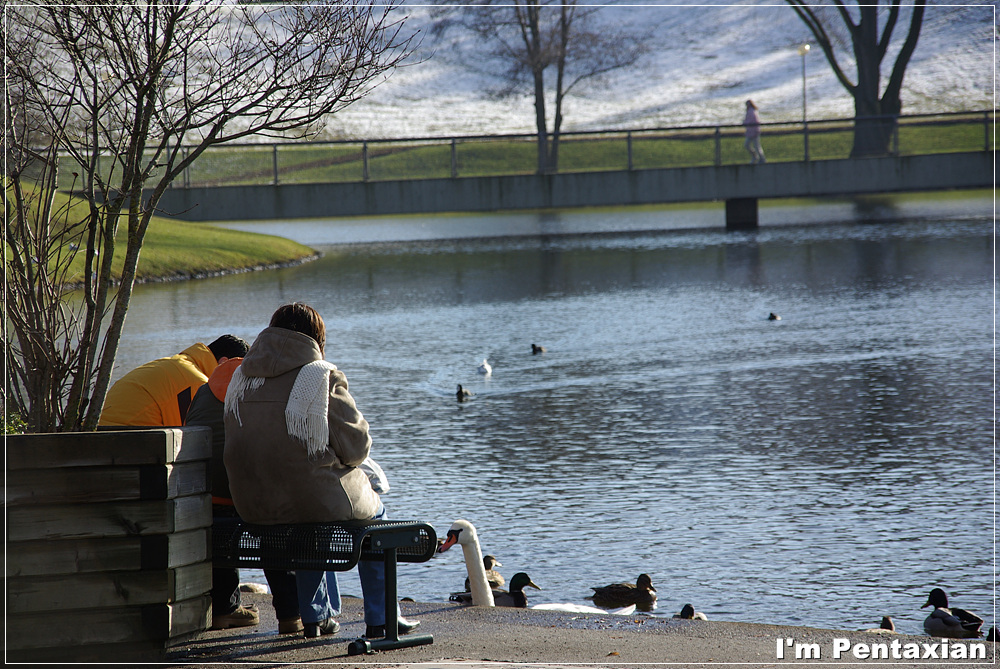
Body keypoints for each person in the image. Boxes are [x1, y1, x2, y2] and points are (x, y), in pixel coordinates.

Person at [223, 303, 420, 640]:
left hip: (252, 502)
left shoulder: (240, 378)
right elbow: (357, 447)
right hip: (306, 499)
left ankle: (317, 617)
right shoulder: (320, 375)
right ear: (315, 337)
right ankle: (383, 618)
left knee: (310, 520)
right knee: (374, 518)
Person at [185, 357, 302, 634]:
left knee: (219, 527)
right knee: (273, 531)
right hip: (248, 494)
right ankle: (290, 614)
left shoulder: (203, 390)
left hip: (206, 494)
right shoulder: (260, 387)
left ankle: (225, 609)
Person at [99, 335, 249, 427]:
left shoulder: (179, 365)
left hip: (103, 436)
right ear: (224, 363)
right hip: (128, 449)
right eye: (238, 375)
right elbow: (188, 439)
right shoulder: (197, 385)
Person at [743, 99, 765, 165]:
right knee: (749, 145)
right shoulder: (750, 112)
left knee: (756, 146)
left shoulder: (752, 112)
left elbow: (752, 122)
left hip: (754, 132)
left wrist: (745, 123)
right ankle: (756, 157)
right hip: (750, 132)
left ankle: (760, 158)